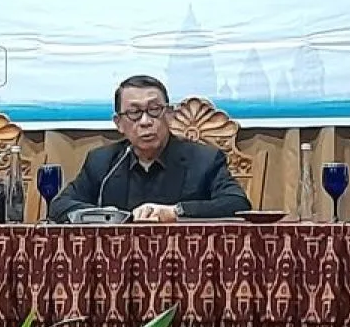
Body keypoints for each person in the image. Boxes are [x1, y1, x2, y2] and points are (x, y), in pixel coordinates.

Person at [48, 75, 250, 223]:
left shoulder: (204, 160)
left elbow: (237, 204)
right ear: (119, 123)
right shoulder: (103, 163)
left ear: (169, 114)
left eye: (154, 110)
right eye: (134, 113)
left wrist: (175, 212)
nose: (145, 121)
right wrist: (108, 216)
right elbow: (59, 206)